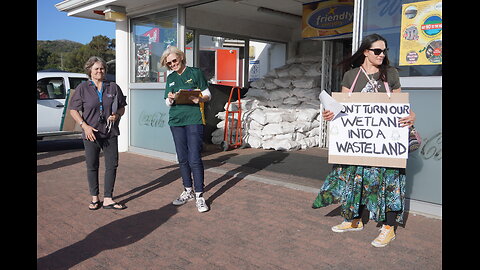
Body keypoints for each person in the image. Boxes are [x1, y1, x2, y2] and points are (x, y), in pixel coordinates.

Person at [312, 34, 416, 247]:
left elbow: (400, 103)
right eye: (377, 51)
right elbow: (339, 109)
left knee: (390, 182)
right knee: (355, 178)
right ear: (366, 52)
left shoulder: (390, 74)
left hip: (386, 142)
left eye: (384, 51)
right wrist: (330, 114)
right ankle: (354, 220)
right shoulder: (351, 76)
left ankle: (388, 228)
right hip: (359, 141)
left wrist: (411, 115)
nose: (382, 55)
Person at [69, 56, 128, 210]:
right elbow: (73, 110)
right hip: (91, 133)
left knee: (112, 165)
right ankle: (95, 198)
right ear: (90, 71)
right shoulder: (83, 88)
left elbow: (122, 106)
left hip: (110, 132)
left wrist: (117, 115)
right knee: (92, 165)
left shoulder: (113, 87)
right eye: (96, 69)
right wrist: (84, 126)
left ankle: (108, 198)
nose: (99, 71)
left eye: (102, 68)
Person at [160, 46, 212, 213]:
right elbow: (167, 103)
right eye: (169, 63)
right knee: (182, 157)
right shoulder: (171, 78)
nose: (173, 65)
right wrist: (170, 98)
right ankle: (187, 190)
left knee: (194, 157)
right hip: (176, 120)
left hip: (193, 118)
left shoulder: (195, 73)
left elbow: (208, 94)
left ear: (181, 58)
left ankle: (199, 195)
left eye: (174, 61)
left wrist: (199, 98)